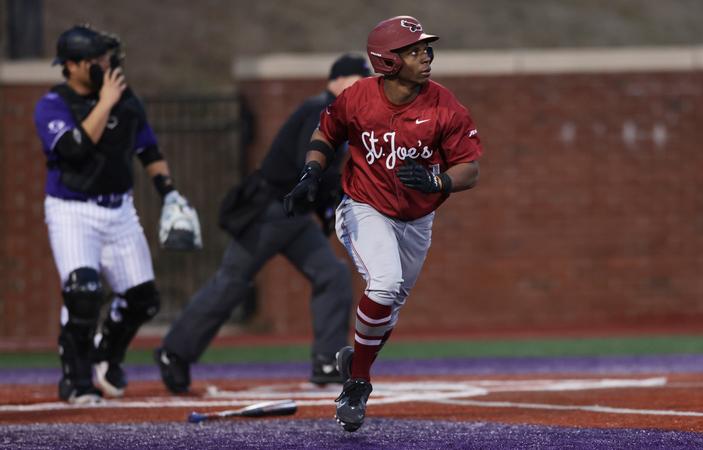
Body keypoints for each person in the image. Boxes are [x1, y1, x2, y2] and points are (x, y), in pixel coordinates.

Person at [283, 16, 483, 432]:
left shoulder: (444, 104)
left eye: (425, 49)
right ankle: (358, 382)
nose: (425, 56)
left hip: (417, 218)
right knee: (385, 284)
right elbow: (326, 131)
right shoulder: (359, 96)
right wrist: (311, 174)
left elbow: (470, 168)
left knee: (388, 309)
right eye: (413, 51)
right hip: (364, 206)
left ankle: (352, 360)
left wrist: (438, 180)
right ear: (388, 61)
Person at [154, 54, 372, 394]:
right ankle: (174, 352)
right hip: (270, 211)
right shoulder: (321, 109)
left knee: (333, 274)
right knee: (231, 283)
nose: (365, 90)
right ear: (341, 80)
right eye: (360, 81)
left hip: (293, 217)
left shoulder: (337, 114)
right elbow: (311, 163)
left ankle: (328, 361)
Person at [34, 25, 201, 404]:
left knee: (144, 299)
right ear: (72, 65)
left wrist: (169, 192)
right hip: (72, 209)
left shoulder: (126, 100)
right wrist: (105, 102)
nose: (106, 67)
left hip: (119, 208)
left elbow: (148, 150)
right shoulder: (52, 104)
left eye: (106, 59)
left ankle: (106, 353)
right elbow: (74, 150)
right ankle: (75, 381)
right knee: (83, 292)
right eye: (96, 61)